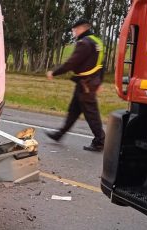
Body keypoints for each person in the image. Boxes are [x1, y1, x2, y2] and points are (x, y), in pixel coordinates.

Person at [45, 18, 106, 152]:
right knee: (73, 111)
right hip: (88, 83)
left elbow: (71, 63)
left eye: (74, 30)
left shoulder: (84, 43)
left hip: (85, 85)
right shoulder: (97, 42)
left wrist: (54, 73)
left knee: (91, 114)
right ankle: (59, 135)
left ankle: (100, 141)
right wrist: (100, 81)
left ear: (81, 28)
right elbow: (102, 64)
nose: (73, 32)